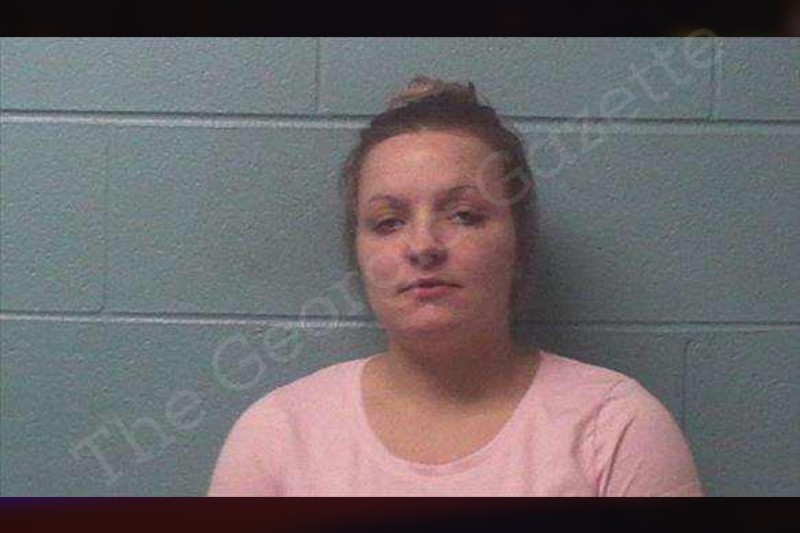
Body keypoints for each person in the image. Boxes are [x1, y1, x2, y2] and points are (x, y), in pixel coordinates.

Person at [207, 77, 704, 496]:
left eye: (464, 215)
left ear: (518, 244)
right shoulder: (276, 438)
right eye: (388, 222)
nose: (423, 246)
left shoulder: (615, 429)